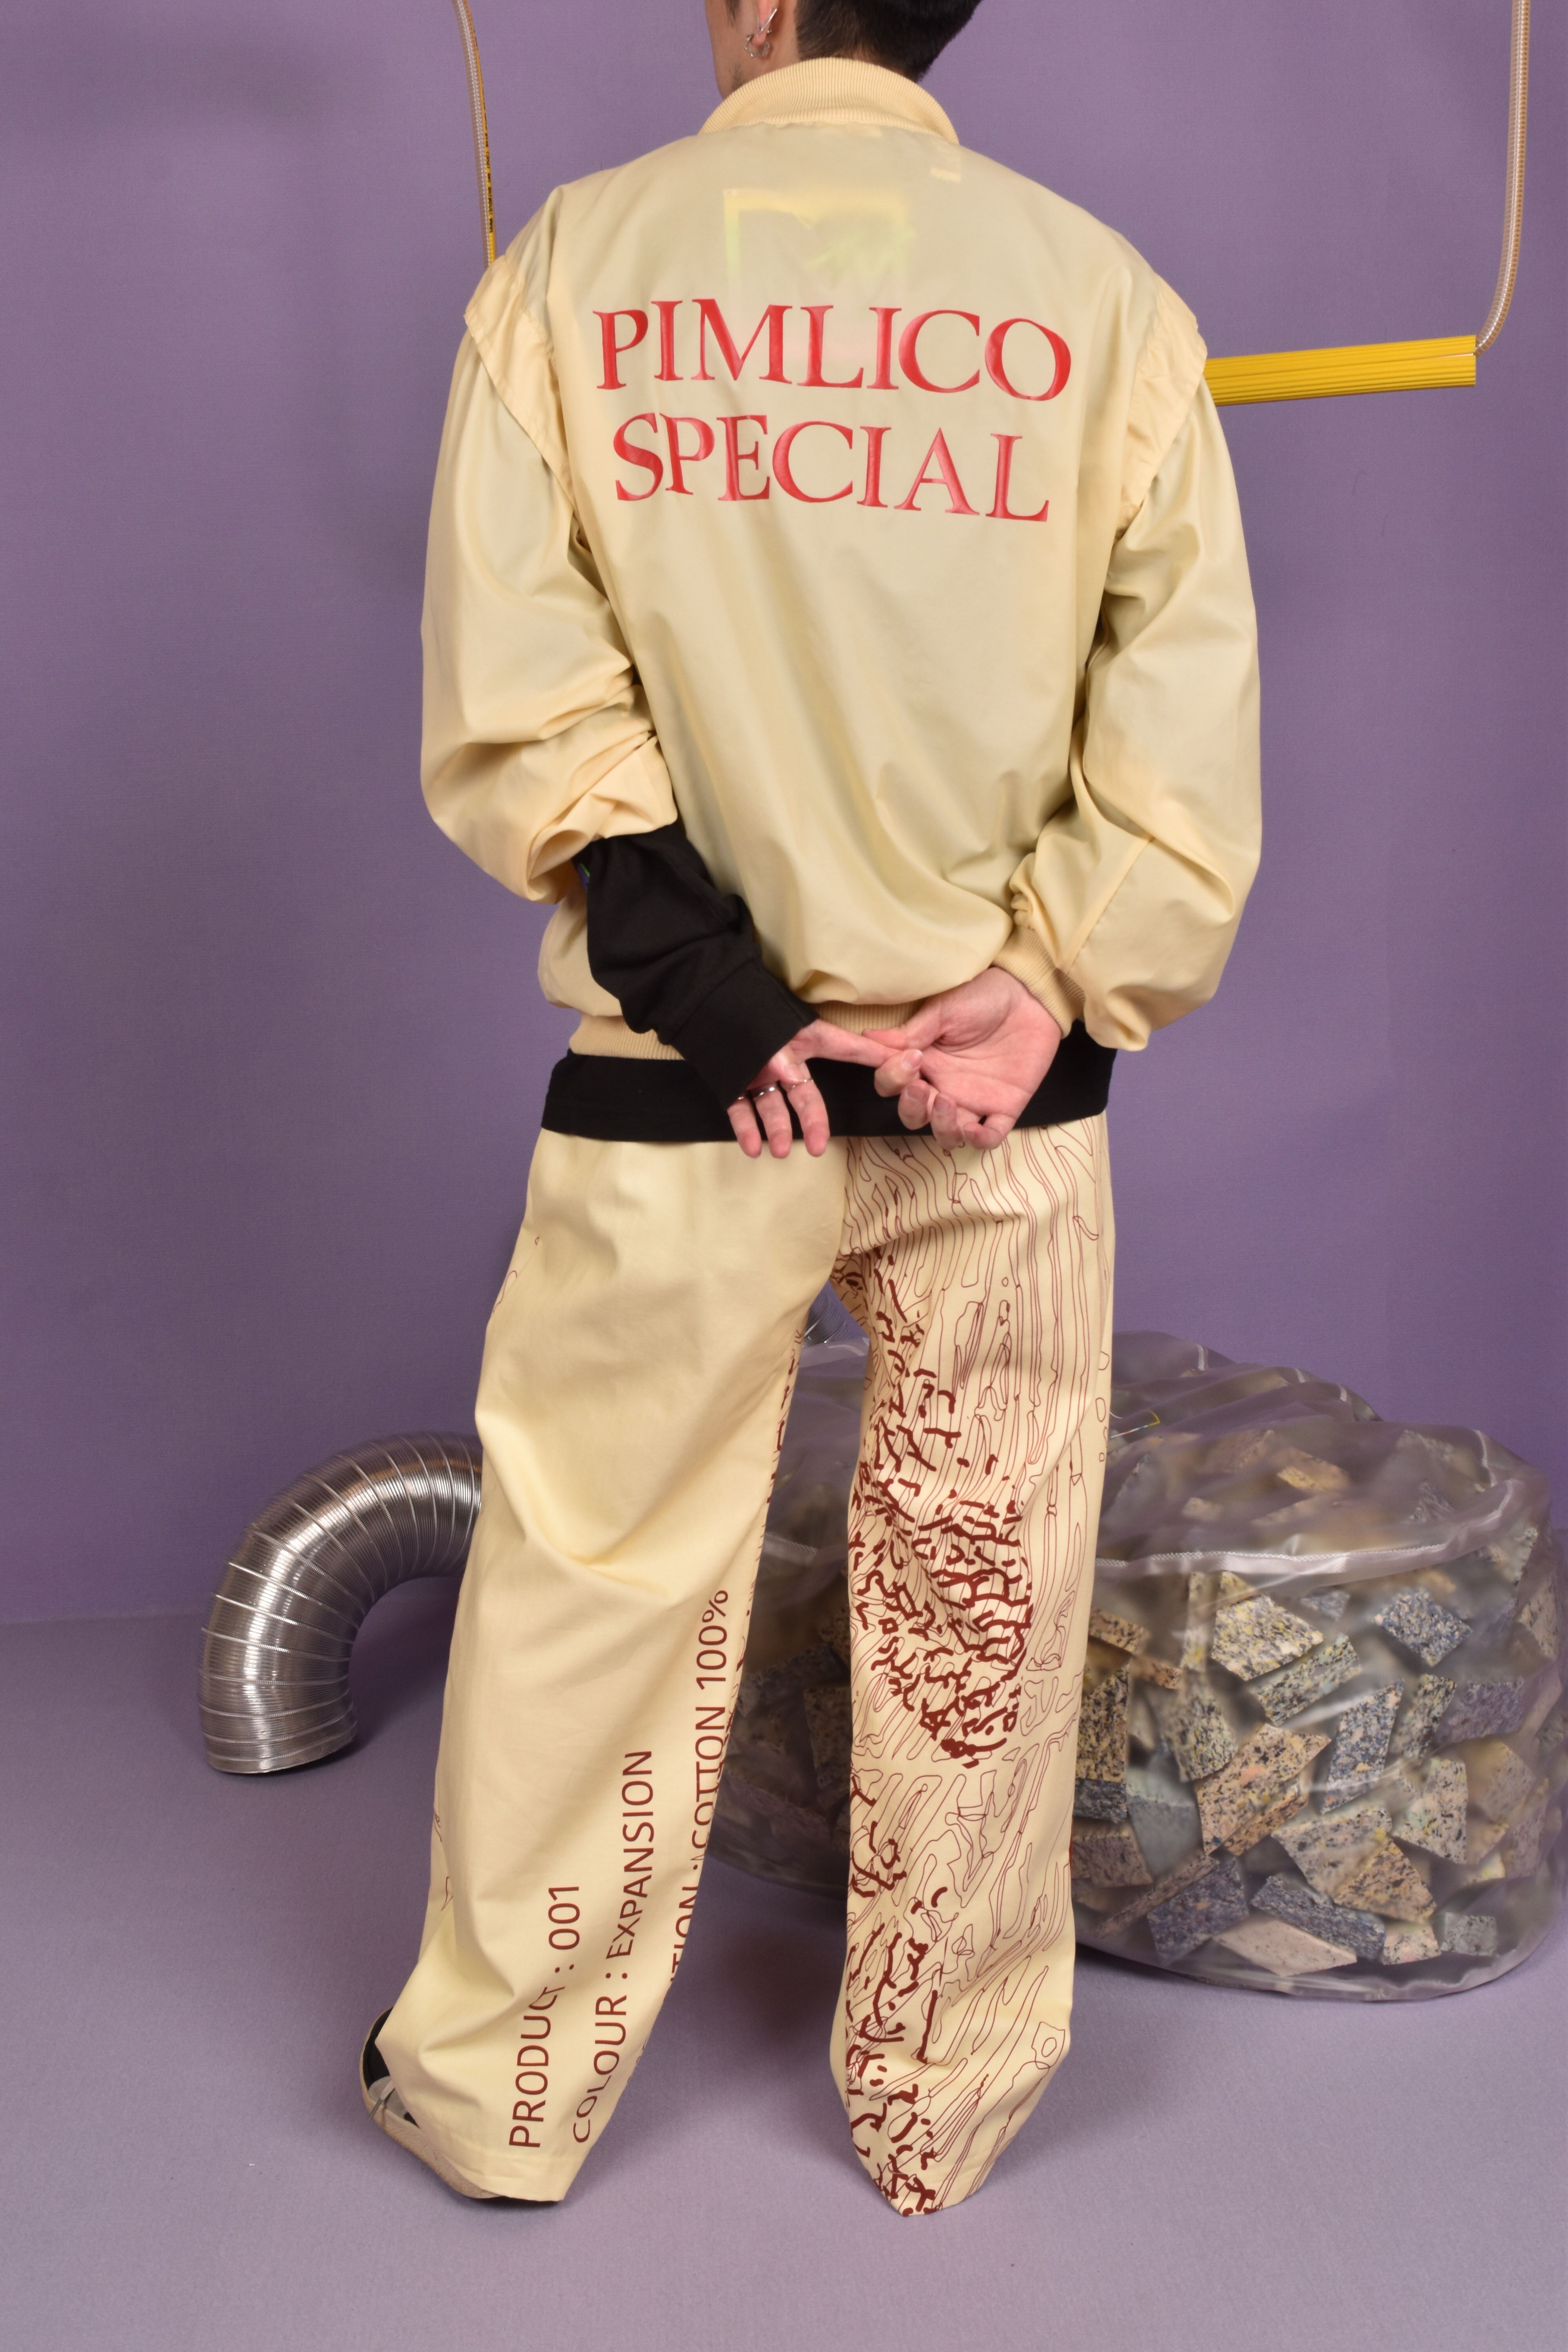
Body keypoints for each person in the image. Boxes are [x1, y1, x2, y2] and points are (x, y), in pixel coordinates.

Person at [360, 0, 1260, 2214]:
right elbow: (1179, 742)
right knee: (983, 1600)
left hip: (687, 1090)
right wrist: (1044, 986)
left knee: (595, 1589)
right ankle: (945, 2108)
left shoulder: (574, 269)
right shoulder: (1106, 299)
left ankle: (500, 2103)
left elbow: (521, 692)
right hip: (1000, 1096)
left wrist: (715, 987)